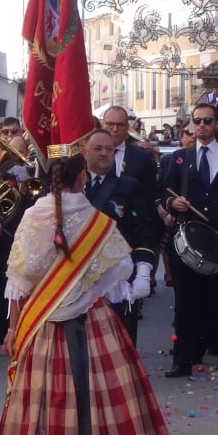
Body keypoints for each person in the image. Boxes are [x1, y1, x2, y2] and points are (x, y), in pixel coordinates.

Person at [0, 145, 189, 435]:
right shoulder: (97, 221)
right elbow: (115, 280)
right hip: (93, 324)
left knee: (39, 403)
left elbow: (18, 281)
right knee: (102, 402)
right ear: (82, 176)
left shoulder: (33, 216)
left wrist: (12, 329)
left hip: (42, 322)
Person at [162, 102, 218, 379]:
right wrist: (172, 202)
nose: (201, 125)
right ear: (191, 124)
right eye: (197, 121)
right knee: (186, 303)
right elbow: (161, 194)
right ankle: (182, 361)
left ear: (216, 124)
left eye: (207, 121)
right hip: (188, 240)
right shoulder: (178, 159)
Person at [81, 128, 159, 341]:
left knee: (120, 341)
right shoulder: (75, 186)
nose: (105, 153)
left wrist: (143, 270)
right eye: (98, 148)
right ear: (84, 152)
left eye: (109, 149)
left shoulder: (128, 185)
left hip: (118, 277)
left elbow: (143, 229)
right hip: (80, 277)